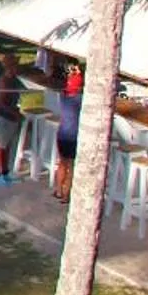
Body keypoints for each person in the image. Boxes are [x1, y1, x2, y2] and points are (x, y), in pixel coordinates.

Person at [0, 55, 26, 184]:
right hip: (2, 118)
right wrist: (15, 114)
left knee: (7, 147)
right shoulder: (3, 81)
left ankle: (5, 173)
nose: (16, 68)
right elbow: (1, 103)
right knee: (0, 147)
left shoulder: (14, 80)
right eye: (15, 66)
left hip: (11, 117)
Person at [52, 63, 85, 201]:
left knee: (62, 163)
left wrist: (74, 74)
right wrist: (78, 74)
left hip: (62, 134)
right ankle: (66, 195)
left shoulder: (63, 96)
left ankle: (58, 190)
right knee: (71, 166)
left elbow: (69, 85)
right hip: (73, 136)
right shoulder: (79, 99)